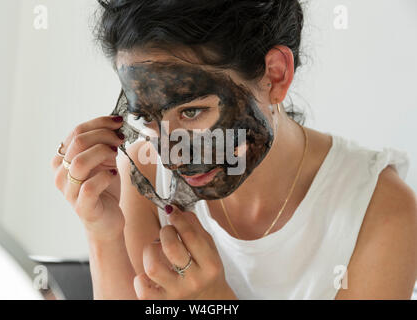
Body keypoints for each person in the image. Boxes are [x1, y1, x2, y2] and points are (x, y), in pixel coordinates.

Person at [51, 0, 417, 299]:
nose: (171, 156)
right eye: (147, 117)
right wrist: (103, 233)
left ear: (275, 75)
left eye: (192, 111)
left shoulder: (381, 211)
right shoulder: (147, 177)